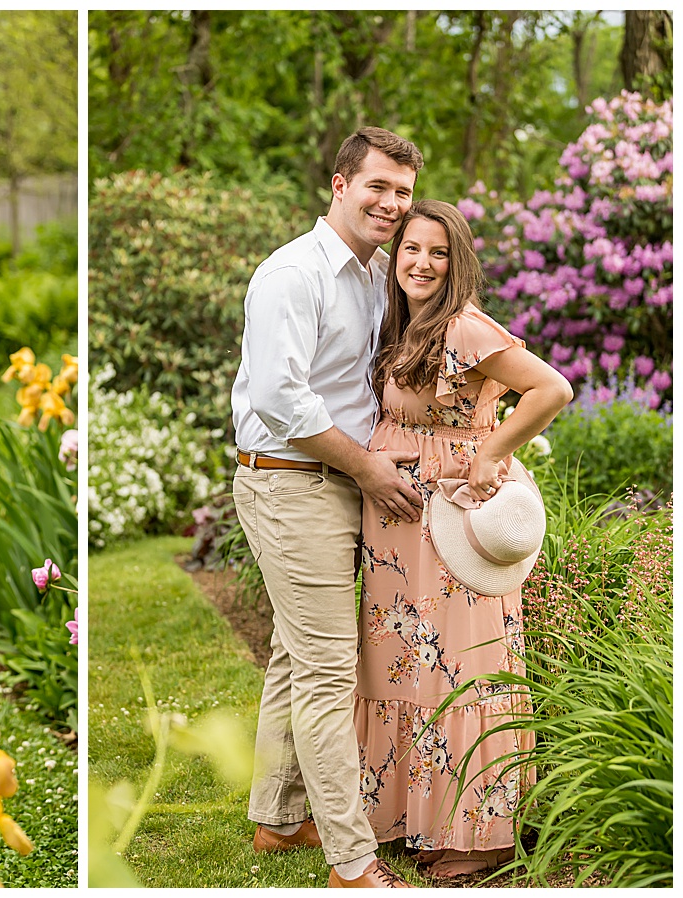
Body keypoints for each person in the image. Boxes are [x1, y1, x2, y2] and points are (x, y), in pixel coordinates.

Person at [353, 199, 573, 879]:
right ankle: (401, 817)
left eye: (439, 252)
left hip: (448, 524)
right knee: (400, 665)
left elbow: (550, 388)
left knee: (456, 666)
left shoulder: (464, 327)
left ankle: (469, 835)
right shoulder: (409, 325)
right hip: (398, 528)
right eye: (412, 249)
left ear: (458, 263)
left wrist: (490, 451)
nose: (422, 263)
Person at [230, 127, 425, 889]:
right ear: (339, 184)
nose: (392, 203)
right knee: (327, 670)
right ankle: (352, 859)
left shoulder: (375, 274)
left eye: (403, 192)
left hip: (337, 479)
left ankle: (279, 822)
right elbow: (282, 400)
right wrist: (372, 469)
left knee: (295, 651)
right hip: (291, 482)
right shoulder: (292, 274)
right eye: (378, 185)